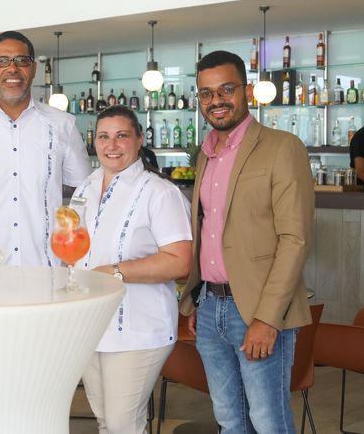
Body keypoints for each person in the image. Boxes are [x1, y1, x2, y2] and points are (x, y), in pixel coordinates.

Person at [179, 50, 314, 433]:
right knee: (230, 420)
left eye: (226, 89)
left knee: (268, 422)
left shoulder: (282, 147)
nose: (216, 100)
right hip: (210, 307)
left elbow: (295, 239)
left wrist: (267, 318)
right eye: (206, 93)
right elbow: (209, 231)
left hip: (257, 309)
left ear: (247, 90)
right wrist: (199, 300)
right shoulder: (206, 154)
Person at [72, 105, 192, 433]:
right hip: (90, 326)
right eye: (103, 137)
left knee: (123, 424)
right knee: (105, 422)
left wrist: (113, 271)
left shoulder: (160, 192)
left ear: (139, 139)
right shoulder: (86, 188)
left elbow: (180, 260)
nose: (111, 145)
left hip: (138, 328)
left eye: (121, 136)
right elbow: (74, 245)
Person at [0, 30, 91, 266]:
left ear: (34, 69)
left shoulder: (63, 125)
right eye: (2, 61)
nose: (12, 68)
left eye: (22, 60)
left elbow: (84, 192)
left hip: (45, 266)